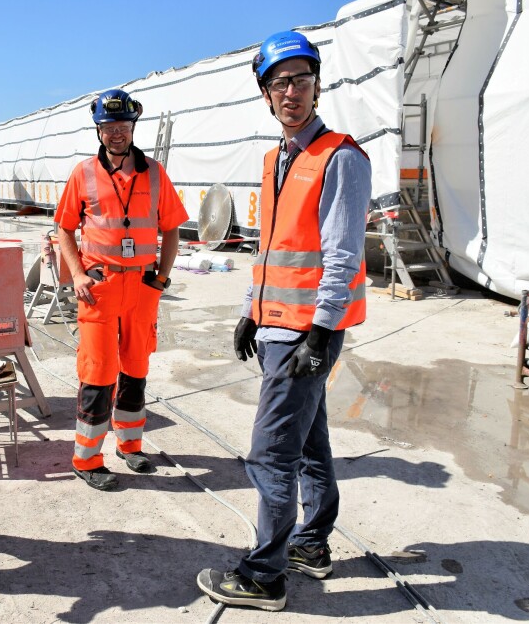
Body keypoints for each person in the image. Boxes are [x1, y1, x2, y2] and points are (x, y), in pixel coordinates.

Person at [196, 31, 371, 611]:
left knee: (270, 452)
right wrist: (251, 308)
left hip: (305, 333)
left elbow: (342, 255)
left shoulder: (340, 156)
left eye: (300, 79)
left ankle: (264, 575)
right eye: (279, 83)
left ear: (318, 84)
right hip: (274, 327)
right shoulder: (277, 158)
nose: (290, 91)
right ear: (265, 94)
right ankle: (311, 544)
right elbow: (271, 246)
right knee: (310, 443)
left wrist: (321, 332)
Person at [54, 89, 188, 491]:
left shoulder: (155, 172)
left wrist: (160, 279)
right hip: (100, 286)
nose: (116, 134)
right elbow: (63, 228)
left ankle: (131, 446)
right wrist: (77, 275)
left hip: (142, 286)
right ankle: (87, 458)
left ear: (133, 126)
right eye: (108, 127)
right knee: (98, 371)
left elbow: (172, 228)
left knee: (136, 367)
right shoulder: (83, 173)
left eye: (122, 126)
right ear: (99, 129)